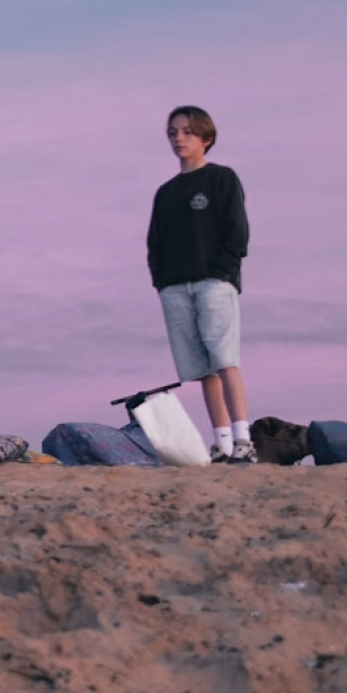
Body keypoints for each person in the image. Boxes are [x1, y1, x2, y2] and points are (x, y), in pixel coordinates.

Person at [147, 105, 253, 462]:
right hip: (175, 288)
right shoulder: (165, 192)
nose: (179, 138)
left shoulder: (222, 179)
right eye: (173, 132)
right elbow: (155, 243)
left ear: (205, 137)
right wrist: (161, 282)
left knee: (225, 360)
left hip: (214, 284)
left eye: (187, 132)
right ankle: (221, 444)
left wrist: (220, 272)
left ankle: (243, 440)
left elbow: (237, 233)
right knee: (201, 369)